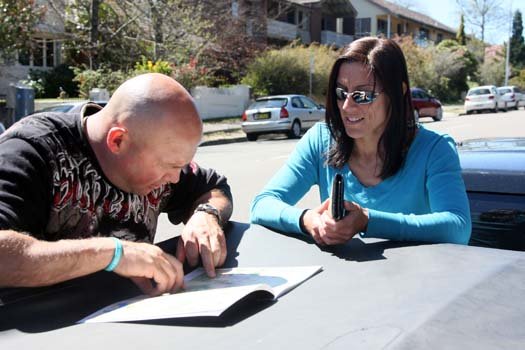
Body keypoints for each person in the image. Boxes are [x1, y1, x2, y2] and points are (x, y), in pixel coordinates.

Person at [0, 73, 233, 296]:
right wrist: (113, 253)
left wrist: (206, 214)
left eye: (181, 166)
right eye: (169, 166)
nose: (175, 178)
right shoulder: (31, 151)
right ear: (118, 140)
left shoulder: (160, 158)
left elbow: (214, 190)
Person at [250, 37, 471, 245]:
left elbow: (458, 227)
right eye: (340, 93)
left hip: (414, 280)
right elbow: (262, 205)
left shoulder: (435, 149)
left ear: (398, 92)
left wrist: (368, 220)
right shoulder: (321, 139)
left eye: (362, 96)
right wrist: (308, 220)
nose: (347, 107)